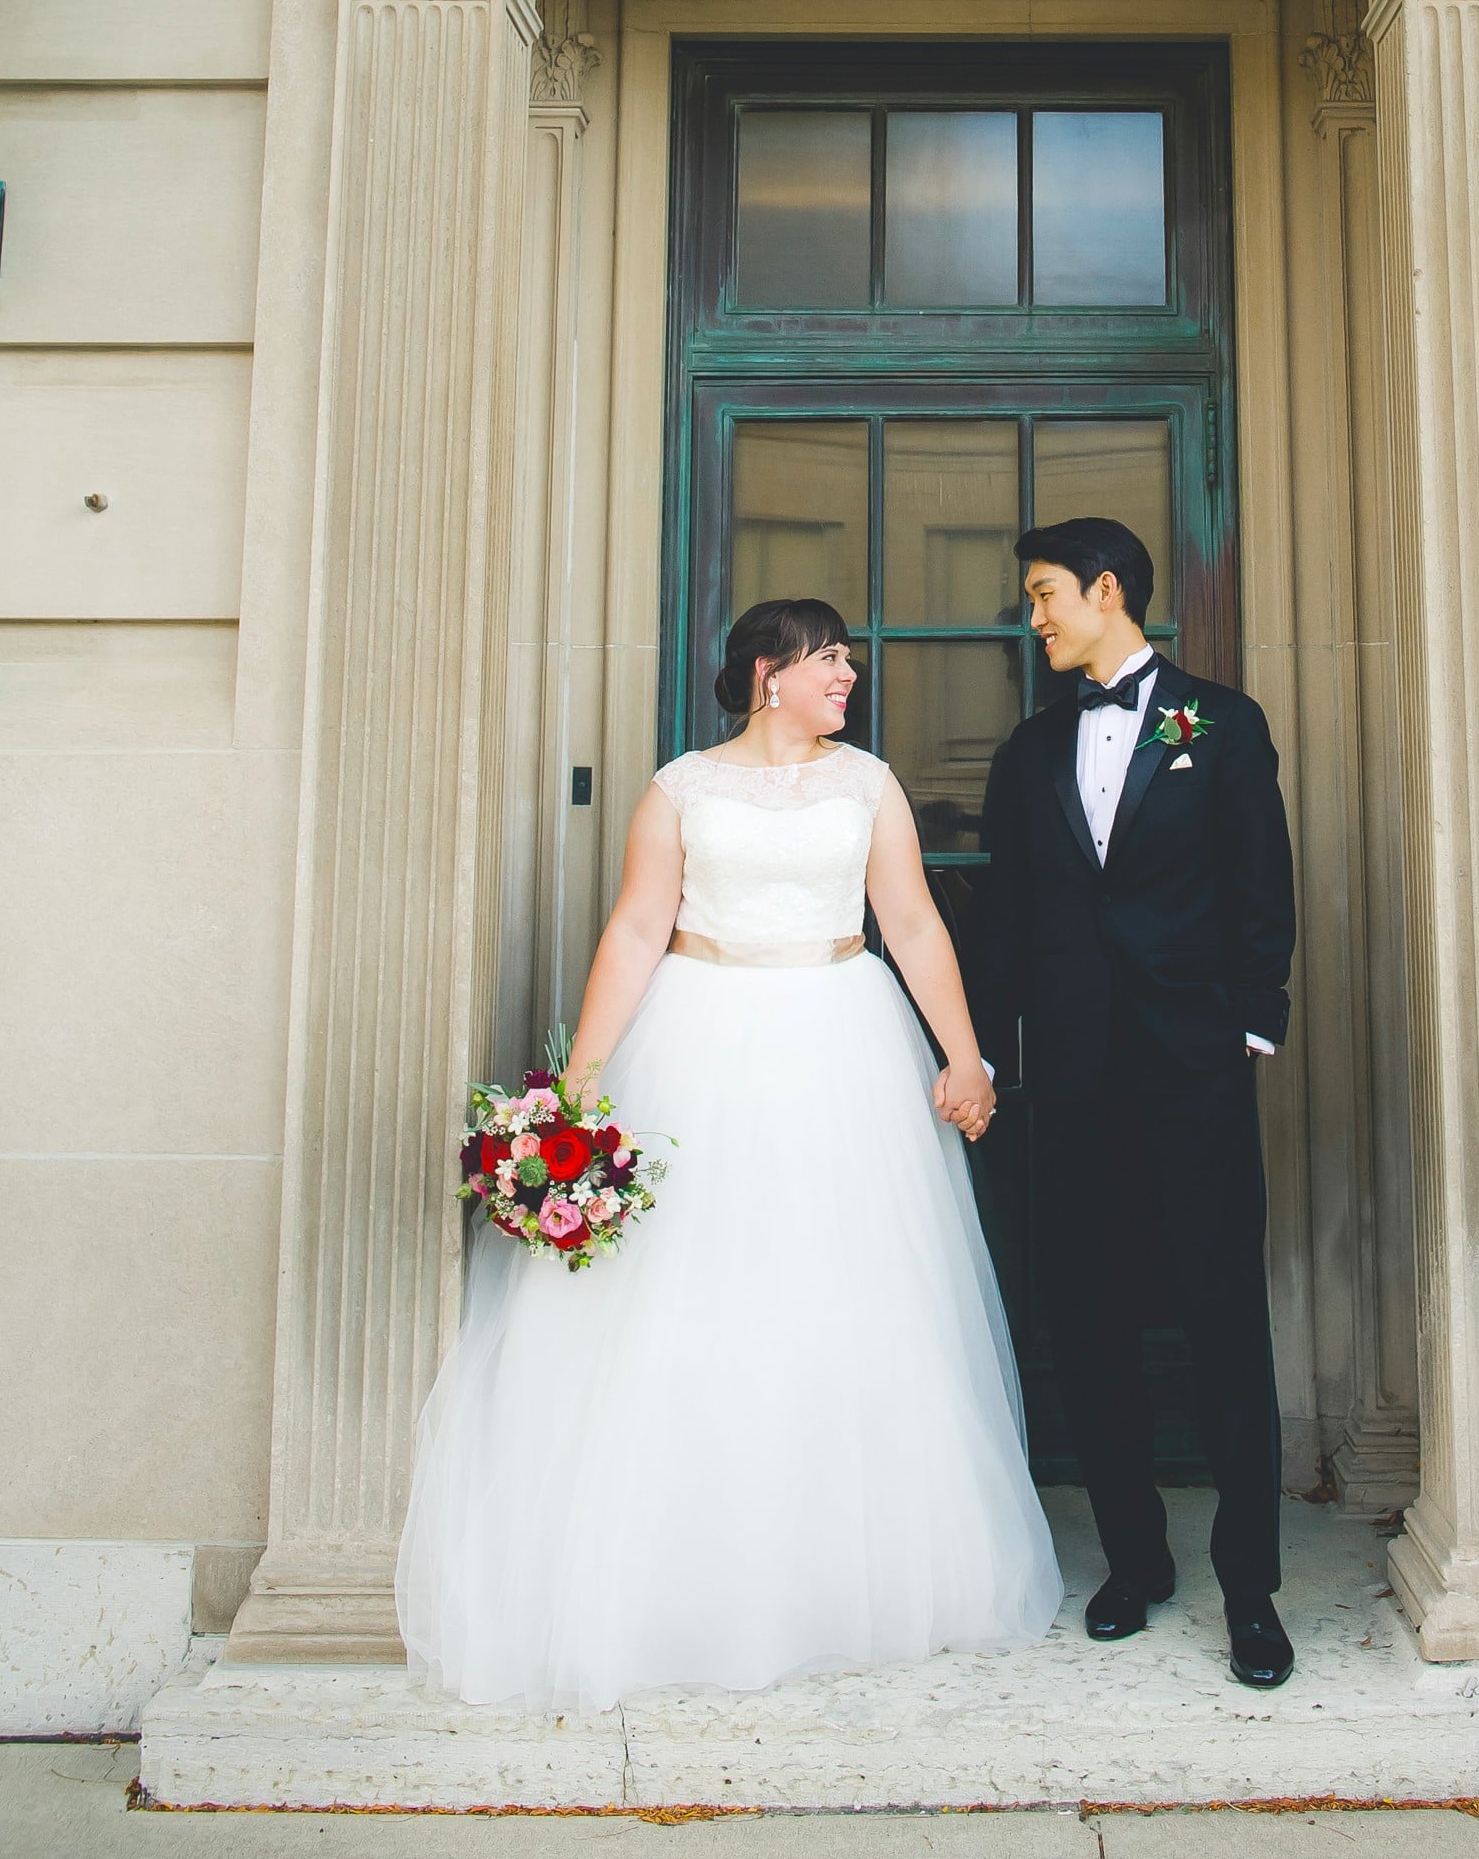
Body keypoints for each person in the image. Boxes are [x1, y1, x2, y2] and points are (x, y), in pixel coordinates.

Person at [397, 599, 1063, 1712]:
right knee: (690, 1288)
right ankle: (684, 1570)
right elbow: (633, 926)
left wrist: (965, 1055)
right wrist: (582, 1080)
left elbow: (912, 923)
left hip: (841, 1032)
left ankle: (832, 1572)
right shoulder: (681, 787)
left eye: (847, 660)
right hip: (698, 1032)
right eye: (830, 659)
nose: (847, 676)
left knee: (845, 1290)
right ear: (769, 671)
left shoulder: (869, 783)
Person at [971, 518, 1299, 1689]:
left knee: (1220, 1322)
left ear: (1107, 589)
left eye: (1044, 593)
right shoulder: (1025, 751)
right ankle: (1134, 1562)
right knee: (1089, 1320)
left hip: (1192, 1072)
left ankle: (1251, 1590)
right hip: (1067, 1083)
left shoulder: (1220, 721)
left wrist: (1249, 1019)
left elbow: (1262, 877)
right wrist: (989, 1053)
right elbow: (1006, 919)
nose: (1034, 615)